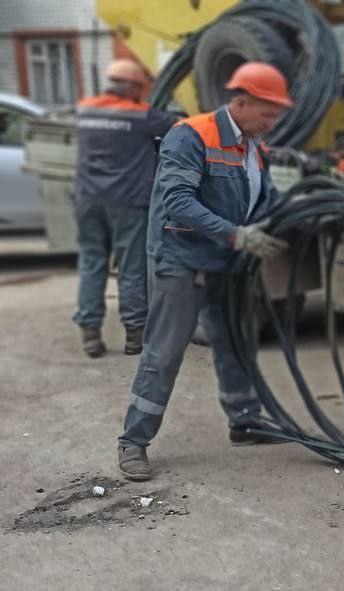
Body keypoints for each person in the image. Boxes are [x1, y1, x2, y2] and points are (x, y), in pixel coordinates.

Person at [117, 62, 293, 482]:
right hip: (182, 259)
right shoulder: (191, 135)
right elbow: (177, 201)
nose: (271, 124)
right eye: (267, 114)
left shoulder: (255, 148)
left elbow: (266, 200)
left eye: (276, 116)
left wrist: (301, 212)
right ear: (240, 102)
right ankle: (133, 441)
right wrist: (237, 235)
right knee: (164, 351)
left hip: (226, 261)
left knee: (236, 341)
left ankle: (244, 421)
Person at [73, 59, 179, 358]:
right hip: (127, 202)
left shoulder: (85, 109)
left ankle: (90, 335)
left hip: (87, 199)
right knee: (131, 268)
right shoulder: (140, 114)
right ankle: (135, 335)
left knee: (92, 263)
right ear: (132, 87)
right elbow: (179, 127)